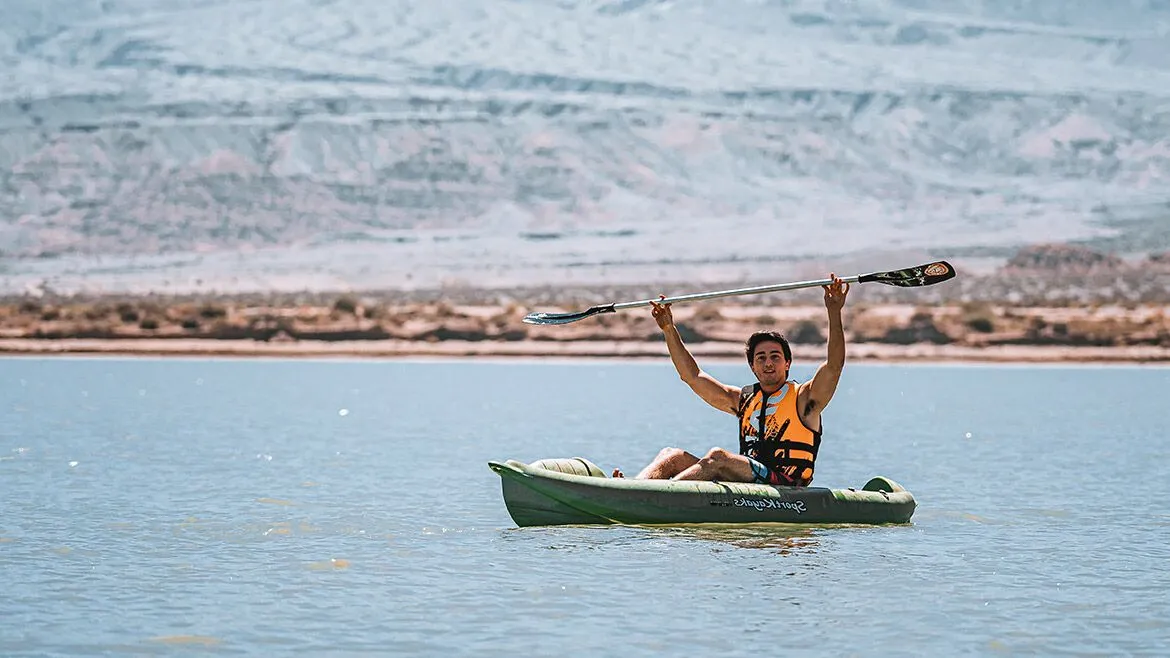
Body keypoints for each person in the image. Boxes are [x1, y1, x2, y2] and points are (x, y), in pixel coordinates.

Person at [613, 274, 850, 486]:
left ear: (787, 363)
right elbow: (692, 377)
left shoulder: (804, 399)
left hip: (785, 483)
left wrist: (834, 311)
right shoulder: (744, 400)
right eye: (761, 358)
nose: (768, 363)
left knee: (718, 457)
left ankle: (660, 494)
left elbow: (834, 366)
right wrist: (668, 328)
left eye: (775, 357)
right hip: (747, 480)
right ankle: (632, 487)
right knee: (671, 455)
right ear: (752, 366)